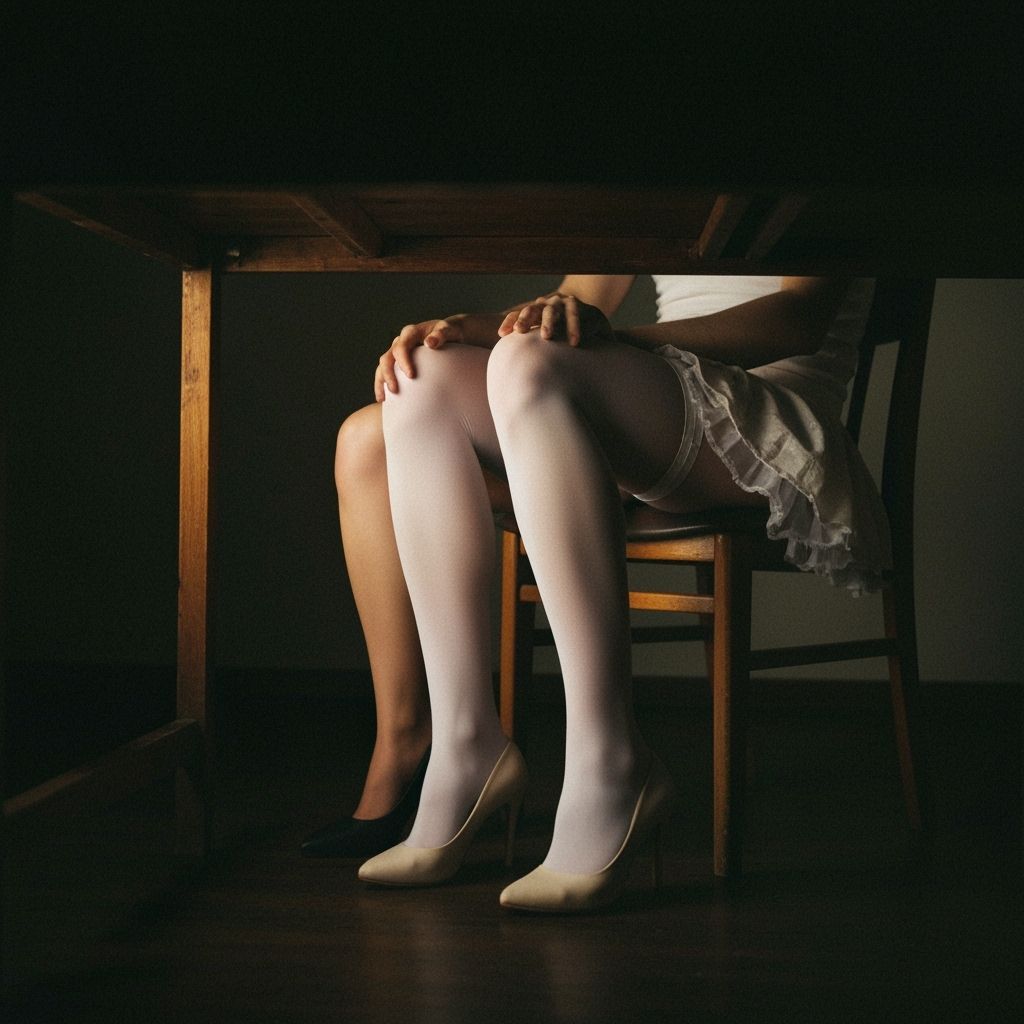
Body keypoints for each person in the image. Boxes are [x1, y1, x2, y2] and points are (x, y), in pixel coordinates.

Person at [314, 275, 886, 911]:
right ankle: (465, 741)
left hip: (770, 416)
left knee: (528, 361)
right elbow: (575, 296)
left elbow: (798, 321)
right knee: (421, 372)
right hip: (653, 395)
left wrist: (616, 340)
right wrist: (475, 323)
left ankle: (612, 763)